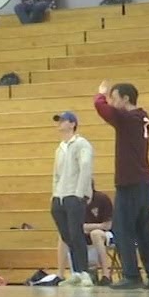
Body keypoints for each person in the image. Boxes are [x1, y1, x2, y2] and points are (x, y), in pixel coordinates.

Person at [94, 81, 149, 290]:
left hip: (131, 182)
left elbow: (102, 109)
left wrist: (100, 95)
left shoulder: (127, 118)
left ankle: (131, 275)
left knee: (123, 228)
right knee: (144, 231)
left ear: (125, 99)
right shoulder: (142, 116)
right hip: (145, 182)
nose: (112, 102)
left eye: (115, 98)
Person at [49, 111, 95, 287]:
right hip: (60, 196)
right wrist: (54, 195)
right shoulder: (60, 148)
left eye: (63, 120)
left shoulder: (81, 144)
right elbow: (56, 174)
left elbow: (85, 167)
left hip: (73, 195)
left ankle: (84, 272)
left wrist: (80, 193)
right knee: (67, 235)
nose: (59, 123)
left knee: (76, 234)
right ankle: (76, 271)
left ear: (72, 123)